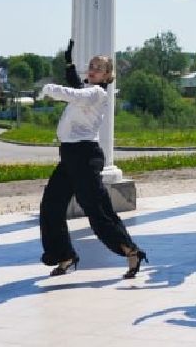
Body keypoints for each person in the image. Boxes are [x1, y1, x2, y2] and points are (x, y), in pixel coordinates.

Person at [36, 40, 147, 279]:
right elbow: (76, 84)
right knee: (51, 206)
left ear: (107, 75)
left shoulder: (96, 94)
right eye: (91, 66)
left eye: (98, 67)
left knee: (97, 210)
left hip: (85, 157)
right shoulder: (87, 91)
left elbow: (74, 92)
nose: (92, 69)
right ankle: (64, 255)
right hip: (69, 156)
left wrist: (50, 89)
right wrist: (68, 62)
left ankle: (131, 250)